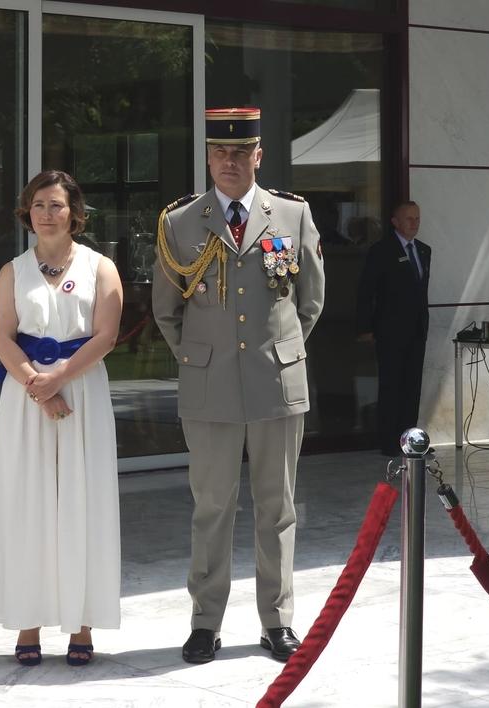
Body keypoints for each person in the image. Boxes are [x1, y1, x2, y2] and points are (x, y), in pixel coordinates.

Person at [152, 107, 325, 664]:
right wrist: (197, 358)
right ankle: (206, 623)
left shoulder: (292, 216)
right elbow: (165, 310)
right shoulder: (180, 223)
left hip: (275, 383)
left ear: (259, 155)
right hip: (209, 389)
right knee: (211, 508)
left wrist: (284, 351)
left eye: (240, 151)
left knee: (277, 509)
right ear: (207, 156)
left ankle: (278, 622)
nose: (229, 161)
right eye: (219, 152)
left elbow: (311, 301)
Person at [0, 170, 123, 667]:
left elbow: (105, 336)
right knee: (29, 507)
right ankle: (27, 623)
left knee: (82, 504)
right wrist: (40, 391)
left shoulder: (100, 267)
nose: (46, 213)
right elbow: (2, 338)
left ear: (74, 213)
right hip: (27, 399)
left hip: (82, 392)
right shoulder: (11, 271)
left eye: (56, 205)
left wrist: (62, 376)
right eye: (38, 205)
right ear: (27, 212)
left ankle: (82, 626)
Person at [356, 200, 430, 456]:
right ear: (395, 222)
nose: (414, 223)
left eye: (417, 218)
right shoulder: (382, 251)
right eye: (409, 219)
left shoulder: (423, 250)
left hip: (416, 330)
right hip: (390, 330)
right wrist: (365, 327)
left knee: (412, 386)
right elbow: (366, 292)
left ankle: (411, 440)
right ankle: (389, 441)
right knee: (391, 386)